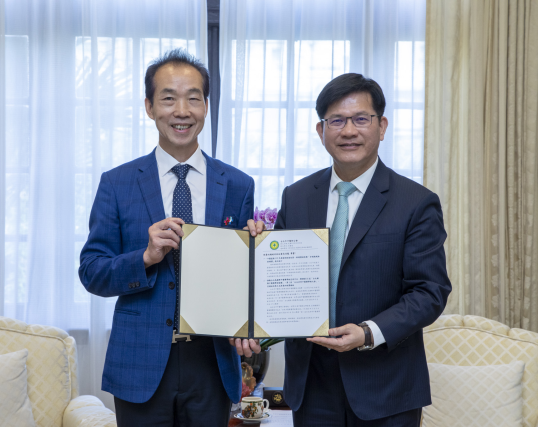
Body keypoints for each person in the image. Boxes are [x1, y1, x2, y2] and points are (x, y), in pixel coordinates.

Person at [79, 48, 263, 427]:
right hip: (140, 362)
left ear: (206, 107)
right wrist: (145, 257)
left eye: (193, 98)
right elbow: (92, 272)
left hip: (212, 362)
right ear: (149, 107)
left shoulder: (238, 184)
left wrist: (259, 254)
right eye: (168, 99)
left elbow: (241, 278)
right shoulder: (117, 183)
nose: (182, 111)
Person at [276, 74, 452, 426]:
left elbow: (429, 292)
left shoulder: (415, 202)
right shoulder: (296, 197)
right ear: (321, 130)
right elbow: (277, 279)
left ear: (381, 126)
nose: (348, 131)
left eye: (360, 119)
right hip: (312, 384)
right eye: (336, 121)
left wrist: (369, 332)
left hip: (385, 386)